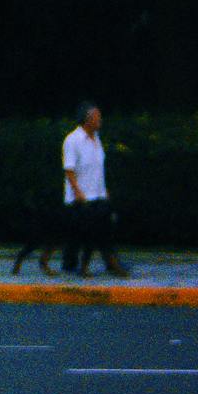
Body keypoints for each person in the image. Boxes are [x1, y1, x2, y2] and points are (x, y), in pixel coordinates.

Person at [58, 101, 127, 276]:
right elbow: (69, 169)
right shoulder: (72, 140)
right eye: (97, 117)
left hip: (97, 195)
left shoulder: (96, 139)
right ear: (87, 120)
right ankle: (70, 263)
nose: (100, 120)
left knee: (104, 229)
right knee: (77, 232)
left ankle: (111, 262)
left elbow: (97, 167)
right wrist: (77, 191)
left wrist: (104, 190)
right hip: (80, 197)